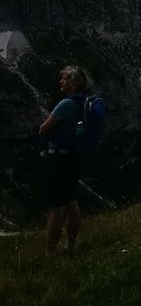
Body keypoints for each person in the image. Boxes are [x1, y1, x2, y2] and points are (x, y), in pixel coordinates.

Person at [39, 65, 90, 255]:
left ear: (74, 82)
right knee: (71, 202)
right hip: (74, 158)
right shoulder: (84, 102)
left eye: (65, 78)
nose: (61, 81)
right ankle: (70, 246)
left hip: (58, 159)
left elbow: (43, 129)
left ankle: (50, 253)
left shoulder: (66, 104)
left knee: (56, 208)